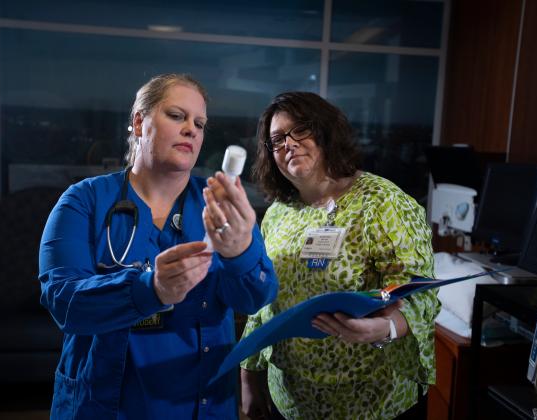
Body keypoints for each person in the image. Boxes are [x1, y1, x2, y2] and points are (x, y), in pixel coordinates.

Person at [38, 73, 278, 419]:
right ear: (139, 122)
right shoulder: (84, 201)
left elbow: (256, 298)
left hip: (201, 405)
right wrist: (150, 288)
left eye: (200, 123)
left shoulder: (221, 206)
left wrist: (241, 253)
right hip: (105, 405)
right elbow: (64, 301)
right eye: (177, 116)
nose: (192, 130)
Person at [240, 92, 440, 419]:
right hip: (290, 400)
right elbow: (263, 302)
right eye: (276, 139)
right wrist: (249, 376)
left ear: (326, 133)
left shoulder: (385, 203)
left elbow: (419, 293)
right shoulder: (278, 213)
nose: (288, 143)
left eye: (300, 130)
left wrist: (385, 328)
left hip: (373, 401)